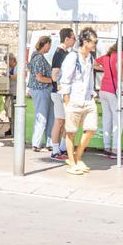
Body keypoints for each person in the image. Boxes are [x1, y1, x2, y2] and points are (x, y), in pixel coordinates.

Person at [58, 28, 99, 175]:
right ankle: (72, 163)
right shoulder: (72, 57)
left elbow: (90, 78)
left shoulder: (90, 58)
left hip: (88, 99)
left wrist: (92, 94)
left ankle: (77, 157)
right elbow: (65, 79)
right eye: (94, 41)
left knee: (91, 128)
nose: (95, 44)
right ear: (85, 41)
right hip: (74, 99)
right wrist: (66, 99)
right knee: (71, 132)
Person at [96, 37, 123, 159]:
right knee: (119, 119)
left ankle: (107, 148)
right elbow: (119, 66)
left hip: (103, 90)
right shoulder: (122, 54)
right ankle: (116, 149)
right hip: (114, 90)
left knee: (107, 119)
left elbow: (94, 63)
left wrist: (105, 69)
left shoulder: (107, 55)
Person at [49, 28, 75, 161]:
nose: (75, 41)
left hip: (63, 92)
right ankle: (55, 150)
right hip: (59, 93)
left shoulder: (65, 53)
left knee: (66, 121)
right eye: (73, 38)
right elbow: (54, 75)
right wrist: (61, 87)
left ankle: (63, 148)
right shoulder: (59, 53)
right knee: (59, 121)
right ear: (67, 39)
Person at [28, 35, 55, 152]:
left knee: (48, 117)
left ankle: (49, 143)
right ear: (46, 44)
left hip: (42, 90)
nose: (50, 47)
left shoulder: (36, 57)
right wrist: (53, 81)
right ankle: (36, 144)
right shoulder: (39, 58)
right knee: (42, 117)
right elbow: (39, 78)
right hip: (41, 90)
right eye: (50, 45)